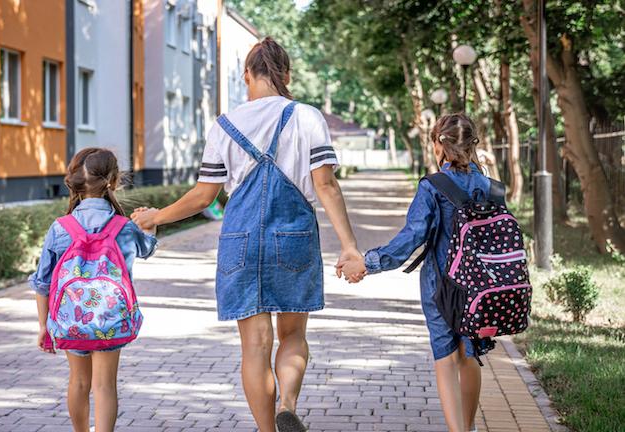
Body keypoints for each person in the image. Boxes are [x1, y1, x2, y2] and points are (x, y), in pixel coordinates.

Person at [131, 37, 360, 432]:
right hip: (294, 236)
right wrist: (349, 246)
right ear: (287, 75)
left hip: (239, 240)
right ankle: (286, 404)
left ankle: (268, 430)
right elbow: (325, 185)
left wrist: (155, 218)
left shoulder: (224, 125)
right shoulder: (306, 116)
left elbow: (204, 195)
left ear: (247, 76)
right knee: (292, 336)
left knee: (254, 348)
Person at [339, 113, 492, 432]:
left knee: (446, 357)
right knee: (469, 352)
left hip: (441, 285)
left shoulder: (433, 186)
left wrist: (367, 262)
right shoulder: (487, 184)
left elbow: (411, 237)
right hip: (479, 285)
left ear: (439, 144)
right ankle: (469, 427)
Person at [29, 148, 157, 432]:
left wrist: (43, 326)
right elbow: (147, 248)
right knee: (104, 386)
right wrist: (150, 224)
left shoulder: (61, 227)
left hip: (70, 320)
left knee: (78, 382)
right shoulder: (123, 226)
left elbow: (43, 282)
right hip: (110, 320)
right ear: (113, 181)